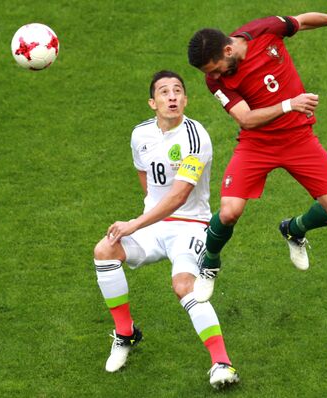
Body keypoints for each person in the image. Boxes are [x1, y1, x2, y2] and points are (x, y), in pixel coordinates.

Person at [187, 10, 327, 301]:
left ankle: (293, 229)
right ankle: (210, 262)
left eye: (217, 68)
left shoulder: (265, 31)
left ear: (228, 49)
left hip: (299, 139)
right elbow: (245, 120)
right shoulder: (216, 82)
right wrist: (288, 105)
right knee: (230, 211)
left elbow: (303, 21)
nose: (215, 76)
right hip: (256, 144)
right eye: (210, 73)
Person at [93, 70, 239, 389]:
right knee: (105, 250)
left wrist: (134, 223)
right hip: (153, 224)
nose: (171, 96)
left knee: (184, 285)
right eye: (164, 92)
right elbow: (146, 180)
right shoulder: (140, 134)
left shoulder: (195, 137)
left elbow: (178, 197)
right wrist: (146, 217)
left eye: (177, 91)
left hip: (191, 226)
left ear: (186, 100)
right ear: (152, 102)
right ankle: (126, 333)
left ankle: (222, 363)